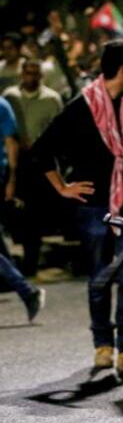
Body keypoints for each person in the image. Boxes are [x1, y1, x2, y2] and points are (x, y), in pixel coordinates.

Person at [34, 39, 123, 376]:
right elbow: (43, 150)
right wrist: (63, 187)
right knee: (100, 278)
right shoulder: (81, 107)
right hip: (94, 207)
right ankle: (103, 345)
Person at [3, 58, 64, 276]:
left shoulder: (51, 99)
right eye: (27, 73)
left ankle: (30, 262)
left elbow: (58, 129)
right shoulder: (9, 96)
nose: (31, 77)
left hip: (39, 161)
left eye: (34, 73)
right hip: (14, 157)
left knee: (34, 213)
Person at [0, 94, 44, 321]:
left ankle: (27, 290)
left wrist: (12, 179)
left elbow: (10, 142)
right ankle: (26, 290)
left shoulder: (1, 105)